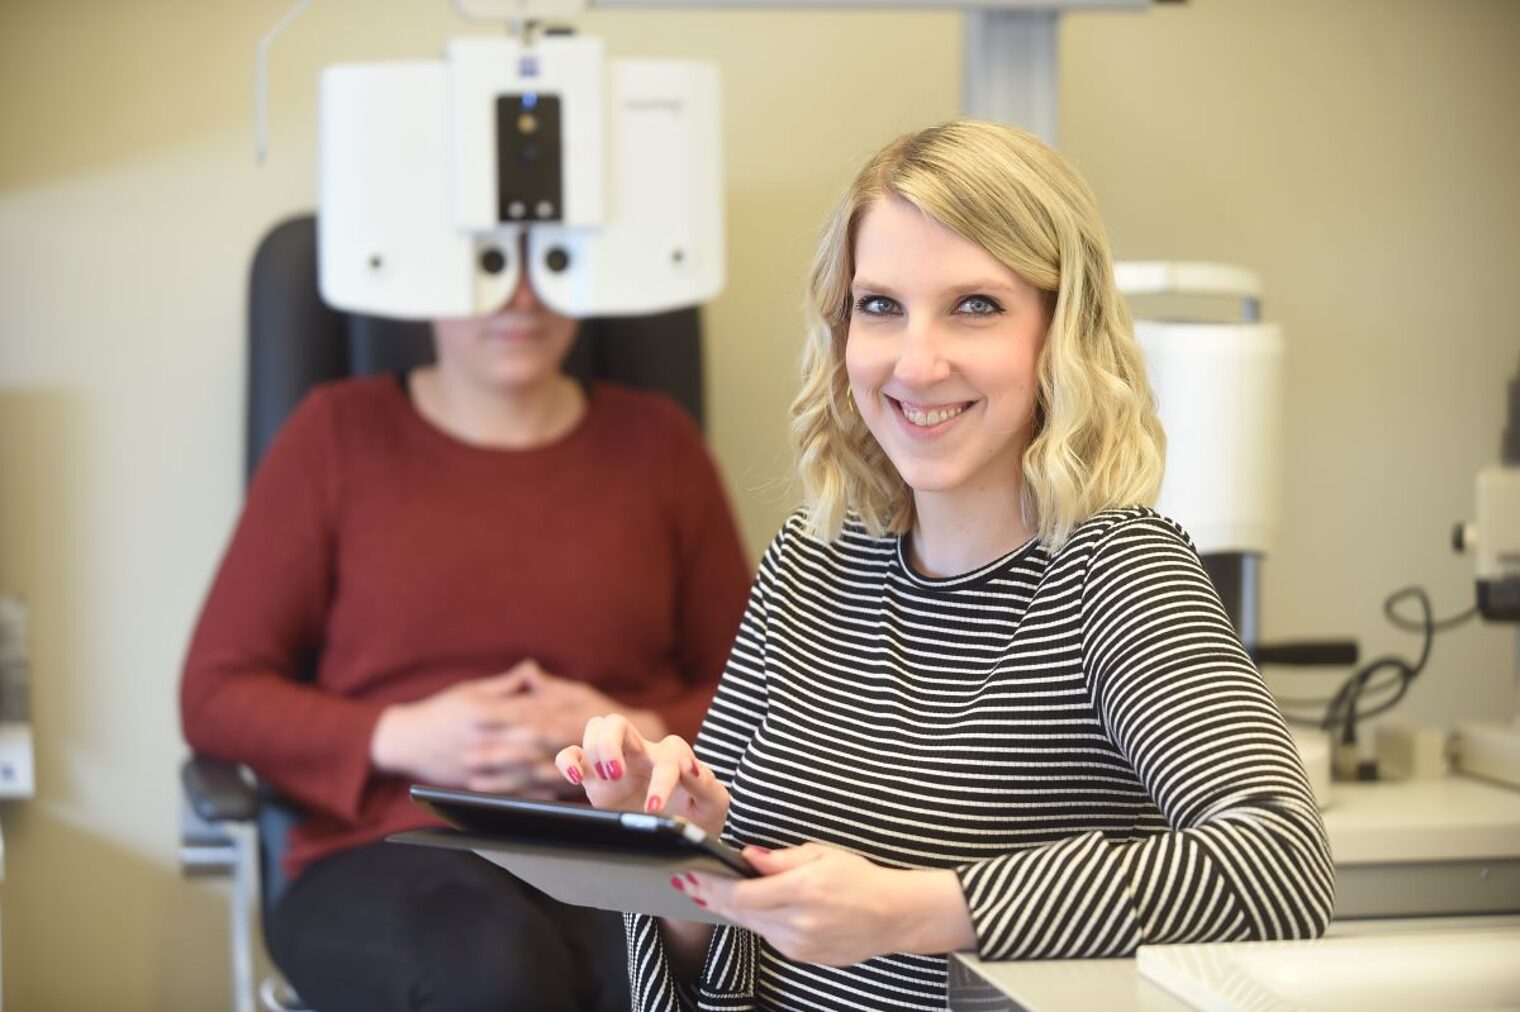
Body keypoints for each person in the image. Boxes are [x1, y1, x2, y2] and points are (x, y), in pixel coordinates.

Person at [555, 119, 1334, 1011]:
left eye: (975, 305)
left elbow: (1280, 866)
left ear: (1060, 333)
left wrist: (912, 909)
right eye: (880, 305)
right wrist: (674, 847)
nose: (917, 363)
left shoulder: (1118, 573)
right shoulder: (806, 569)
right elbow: (722, 955)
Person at [180, 262, 752, 1012]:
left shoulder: (659, 444)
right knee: (492, 968)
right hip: (392, 852)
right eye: (489, 266)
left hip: (611, 844)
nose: (520, 296)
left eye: (548, 264)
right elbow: (216, 693)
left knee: (662, 972)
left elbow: (756, 690)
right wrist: (402, 735)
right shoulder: (334, 436)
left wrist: (633, 735)